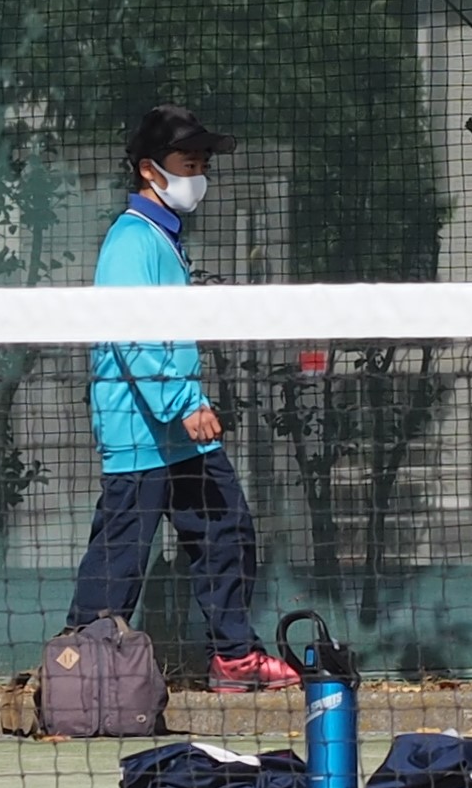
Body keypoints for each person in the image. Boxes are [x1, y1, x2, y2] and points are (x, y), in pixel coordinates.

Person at [66, 106, 300, 693]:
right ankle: (77, 670)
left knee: (227, 530)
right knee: (120, 556)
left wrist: (186, 403)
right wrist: (182, 402)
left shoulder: (163, 238)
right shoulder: (130, 240)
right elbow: (132, 333)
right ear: (150, 170)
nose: (199, 174)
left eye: (202, 164)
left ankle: (234, 659)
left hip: (178, 435)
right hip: (141, 431)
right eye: (187, 163)